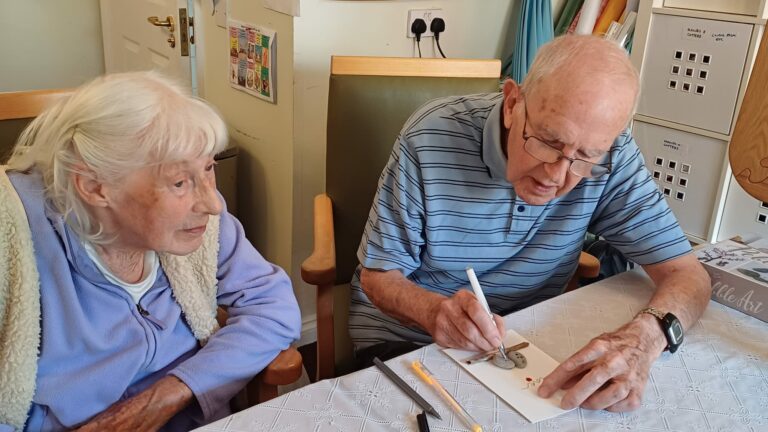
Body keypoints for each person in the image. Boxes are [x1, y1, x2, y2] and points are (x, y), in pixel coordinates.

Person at [348, 35, 711, 412]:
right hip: (412, 342)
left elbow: (687, 274)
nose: (556, 175)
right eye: (548, 142)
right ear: (511, 104)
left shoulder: (610, 157)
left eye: (585, 157)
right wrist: (432, 312)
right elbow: (378, 276)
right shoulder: (429, 138)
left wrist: (647, 337)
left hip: (529, 335)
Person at [0, 72, 301, 431]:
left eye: (209, 168)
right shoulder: (12, 240)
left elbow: (273, 306)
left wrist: (174, 392)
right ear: (95, 187)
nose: (212, 204)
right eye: (179, 182)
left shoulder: (201, 225)